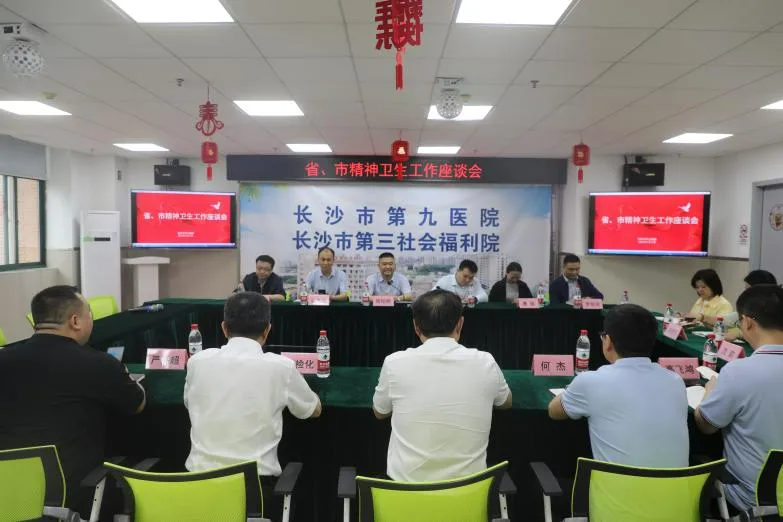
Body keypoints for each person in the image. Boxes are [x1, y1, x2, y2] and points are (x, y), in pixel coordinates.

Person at [0, 286, 146, 518]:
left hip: (8, 497)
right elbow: (137, 404)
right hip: (71, 500)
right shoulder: (99, 364)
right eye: (90, 314)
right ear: (76, 321)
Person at [185, 292, 322, 520]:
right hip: (254, 492)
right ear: (267, 330)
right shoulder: (281, 367)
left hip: (195, 486)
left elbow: (189, 402)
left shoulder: (197, 361)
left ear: (224, 328)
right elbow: (313, 410)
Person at [372, 289, 512, 482]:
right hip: (469, 493)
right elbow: (505, 402)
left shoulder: (394, 362)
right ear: (460, 323)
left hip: (405, 492)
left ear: (416, 327)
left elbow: (380, 412)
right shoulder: (485, 361)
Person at [548, 304, 689, 468]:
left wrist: (572, 390)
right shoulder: (675, 381)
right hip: (679, 486)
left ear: (608, 341)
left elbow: (554, 411)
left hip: (613, 486)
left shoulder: (591, 381)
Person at [694, 285, 783, 513]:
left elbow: (706, 425)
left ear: (747, 322)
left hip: (755, 501)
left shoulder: (740, 372)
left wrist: (709, 392)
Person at [702, 270, 778, 341]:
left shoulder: (775, 310)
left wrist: (739, 333)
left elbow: (768, 333)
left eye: (748, 290)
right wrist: (702, 317)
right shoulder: (749, 309)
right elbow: (726, 320)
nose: (745, 293)